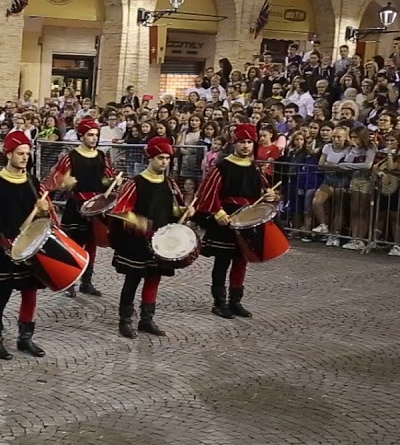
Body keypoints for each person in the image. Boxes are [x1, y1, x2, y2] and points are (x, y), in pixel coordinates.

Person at [0, 131, 54, 360]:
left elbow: (44, 216)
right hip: (4, 245)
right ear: (8, 154)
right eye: (20, 153)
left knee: (30, 292)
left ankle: (25, 338)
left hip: (29, 246)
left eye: (27, 153)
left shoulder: (32, 182)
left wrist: (45, 209)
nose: (25, 157)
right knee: (2, 294)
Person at [195, 123, 277, 319]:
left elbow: (262, 192)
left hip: (247, 222)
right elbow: (208, 193)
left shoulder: (254, 168)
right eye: (242, 142)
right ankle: (219, 302)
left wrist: (271, 197)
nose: (246, 146)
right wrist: (218, 212)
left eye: (249, 142)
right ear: (234, 143)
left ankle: (235, 301)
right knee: (222, 261)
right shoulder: (222, 167)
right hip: (226, 220)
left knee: (241, 261)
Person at [108, 137, 186, 338]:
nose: (164, 162)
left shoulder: (170, 183)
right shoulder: (136, 183)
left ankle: (146, 319)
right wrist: (137, 221)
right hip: (137, 242)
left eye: (168, 158)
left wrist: (185, 210)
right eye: (160, 158)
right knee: (133, 279)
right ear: (150, 158)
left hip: (160, 241)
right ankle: (125, 320)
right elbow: (120, 210)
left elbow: (175, 209)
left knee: (154, 279)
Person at [41, 116, 117, 297]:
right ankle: (70, 281)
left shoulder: (101, 156)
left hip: (96, 206)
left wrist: (112, 181)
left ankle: (87, 282)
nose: (94, 138)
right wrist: (64, 183)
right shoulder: (71, 157)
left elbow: (107, 177)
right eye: (90, 135)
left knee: (92, 244)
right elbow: (56, 178)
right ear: (81, 136)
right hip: (77, 205)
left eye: (96, 135)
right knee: (75, 244)